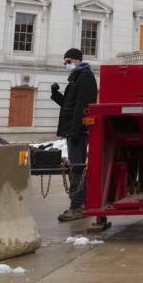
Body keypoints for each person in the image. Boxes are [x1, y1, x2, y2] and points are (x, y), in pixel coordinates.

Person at [50, 48, 98, 222]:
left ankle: (77, 205)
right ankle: (80, 202)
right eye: (64, 62)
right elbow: (69, 106)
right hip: (73, 129)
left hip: (77, 130)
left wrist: (76, 130)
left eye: (68, 61)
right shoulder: (76, 77)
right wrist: (56, 95)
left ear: (78, 60)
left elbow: (82, 106)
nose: (66, 64)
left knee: (77, 167)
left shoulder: (85, 77)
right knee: (75, 166)